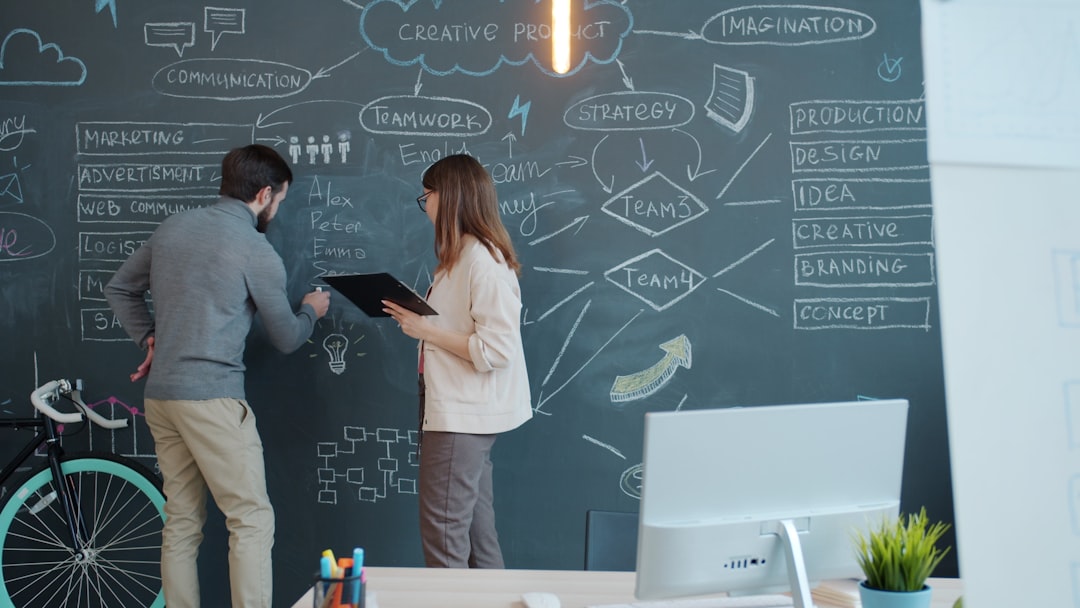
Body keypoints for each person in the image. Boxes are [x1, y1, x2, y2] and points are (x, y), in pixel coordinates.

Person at [104, 144, 330, 608]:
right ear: (264, 194)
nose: (277, 209)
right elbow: (287, 337)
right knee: (250, 519)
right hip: (213, 400)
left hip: (162, 397)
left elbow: (120, 288)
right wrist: (311, 310)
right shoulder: (254, 249)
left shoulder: (172, 228)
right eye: (280, 200)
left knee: (182, 521)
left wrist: (150, 337)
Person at [382, 153, 532, 568]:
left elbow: (496, 350)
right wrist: (421, 321)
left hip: (461, 416)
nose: (425, 206)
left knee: (444, 534)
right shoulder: (463, 256)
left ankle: (450, 596)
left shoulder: (482, 261)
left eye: (426, 196)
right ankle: (488, 596)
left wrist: (425, 330)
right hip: (459, 411)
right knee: (477, 535)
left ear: (448, 197)